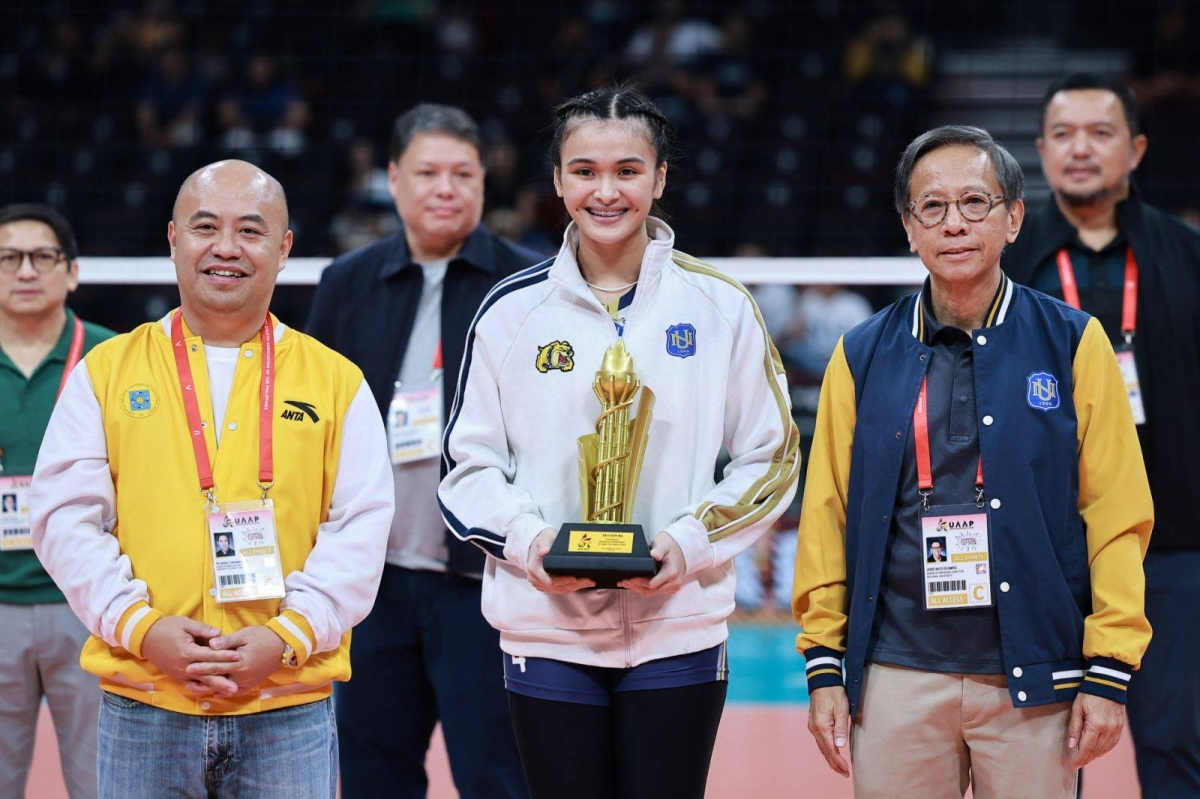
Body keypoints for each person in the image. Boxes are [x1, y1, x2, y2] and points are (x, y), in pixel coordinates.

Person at [438, 85, 800, 799]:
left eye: (628, 171)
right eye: (585, 171)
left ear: (660, 179)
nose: (606, 191)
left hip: (678, 628)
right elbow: (467, 468)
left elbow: (773, 455)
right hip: (548, 629)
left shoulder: (721, 306)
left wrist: (691, 542)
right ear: (557, 180)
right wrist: (530, 542)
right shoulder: (511, 313)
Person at [793, 125, 1153, 797]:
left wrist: (1109, 667)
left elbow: (1116, 513)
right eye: (932, 206)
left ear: (1013, 217)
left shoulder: (1074, 342)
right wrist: (823, 665)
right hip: (896, 674)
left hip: (1036, 681)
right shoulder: (861, 353)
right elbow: (826, 516)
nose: (953, 222)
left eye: (974, 202)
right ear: (908, 226)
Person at [29, 160, 394, 799]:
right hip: (144, 700)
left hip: (287, 702)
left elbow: (360, 529)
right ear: (173, 239)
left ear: (283, 249)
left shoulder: (337, 382)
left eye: (250, 231)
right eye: (206, 227)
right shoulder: (105, 372)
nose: (226, 248)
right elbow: (64, 519)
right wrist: (140, 627)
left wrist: (288, 637)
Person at [307, 103, 538, 799]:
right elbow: (310, 423)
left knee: (498, 773)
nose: (446, 187)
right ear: (393, 179)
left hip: (482, 582)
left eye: (462, 173)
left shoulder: (529, 286)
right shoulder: (347, 281)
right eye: (428, 172)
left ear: (484, 183)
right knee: (374, 773)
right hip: (372, 581)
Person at [1003, 73, 1200, 796]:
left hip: (1174, 546)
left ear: (1136, 148)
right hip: (1042, 553)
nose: (1080, 149)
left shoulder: (1187, 256)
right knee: (1038, 755)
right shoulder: (1009, 265)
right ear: (1042, 150)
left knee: (1179, 741)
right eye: (1063, 134)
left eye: (1100, 132)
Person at [0, 203, 114, 799]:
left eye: (42, 257)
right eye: (8, 258)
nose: (25, 271)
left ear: (71, 272)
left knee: (103, 783)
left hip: (89, 608)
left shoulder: (112, 360)